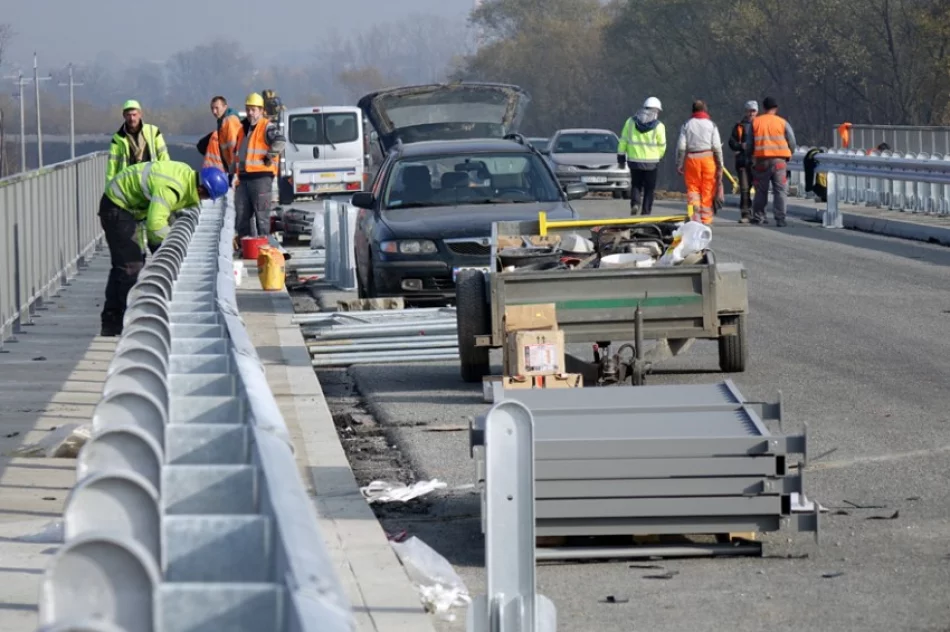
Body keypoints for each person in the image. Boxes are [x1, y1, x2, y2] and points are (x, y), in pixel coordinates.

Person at [98, 161, 230, 336]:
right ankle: (130, 324)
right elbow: (155, 225)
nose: (203, 200)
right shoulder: (172, 188)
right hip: (117, 206)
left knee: (126, 263)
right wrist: (168, 246)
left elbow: (163, 216)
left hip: (127, 207)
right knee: (131, 265)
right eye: (205, 197)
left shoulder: (186, 175)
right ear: (201, 189)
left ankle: (111, 322)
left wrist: (159, 246)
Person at [232, 93, 286, 240]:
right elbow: (237, 153)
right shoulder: (242, 129)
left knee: (262, 217)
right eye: (248, 109)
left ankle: (264, 249)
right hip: (243, 179)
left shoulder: (266, 126)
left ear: (261, 111)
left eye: (253, 109)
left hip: (261, 178)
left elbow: (280, 141)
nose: (250, 113)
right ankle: (246, 248)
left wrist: (269, 156)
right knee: (242, 216)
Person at [750, 96, 797, 227]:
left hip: (761, 161)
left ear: (763, 108)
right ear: (776, 108)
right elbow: (792, 140)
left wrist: (750, 157)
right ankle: (780, 218)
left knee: (760, 190)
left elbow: (749, 144)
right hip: (779, 161)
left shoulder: (756, 122)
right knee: (780, 190)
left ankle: (758, 216)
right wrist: (790, 152)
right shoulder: (782, 122)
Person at [676, 100, 723, 225]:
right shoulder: (711, 125)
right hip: (708, 160)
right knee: (708, 189)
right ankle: (706, 220)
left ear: (693, 110)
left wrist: (679, 163)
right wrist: (720, 165)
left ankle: (694, 217)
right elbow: (717, 147)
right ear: (705, 110)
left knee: (693, 189)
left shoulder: (687, 125)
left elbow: (681, 146)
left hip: (692, 159)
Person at [617, 96, 667, 216]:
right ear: (655, 110)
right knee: (649, 189)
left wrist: (621, 156)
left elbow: (623, 140)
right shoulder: (659, 126)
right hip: (651, 163)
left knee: (636, 185)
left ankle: (635, 204)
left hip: (634, 161)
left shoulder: (630, 122)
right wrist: (658, 156)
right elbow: (662, 145)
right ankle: (646, 212)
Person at [105, 100, 170, 184]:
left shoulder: (153, 132)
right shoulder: (118, 138)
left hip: (152, 181)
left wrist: (167, 180)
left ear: (140, 114)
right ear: (124, 116)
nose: (132, 118)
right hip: (129, 184)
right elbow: (112, 166)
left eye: (134, 115)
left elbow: (164, 157)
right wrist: (109, 190)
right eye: (128, 115)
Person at [728, 100, 758, 223]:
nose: (751, 113)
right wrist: (741, 146)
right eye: (749, 111)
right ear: (745, 112)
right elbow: (731, 142)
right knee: (745, 188)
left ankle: (759, 213)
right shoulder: (739, 126)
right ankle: (745, 213)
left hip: (757, 162)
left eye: (753, 111)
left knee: (760, 189)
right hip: (742, 162)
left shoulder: (761, 125)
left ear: (757, 112)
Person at [210, 96, 242, 180]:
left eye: (217, 108)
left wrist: (232, 171)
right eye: (212, 108)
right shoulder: (222, 121)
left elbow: (233, 145)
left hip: (235, 168)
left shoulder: (229, 121)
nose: (214, 111)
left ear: (225, 107)